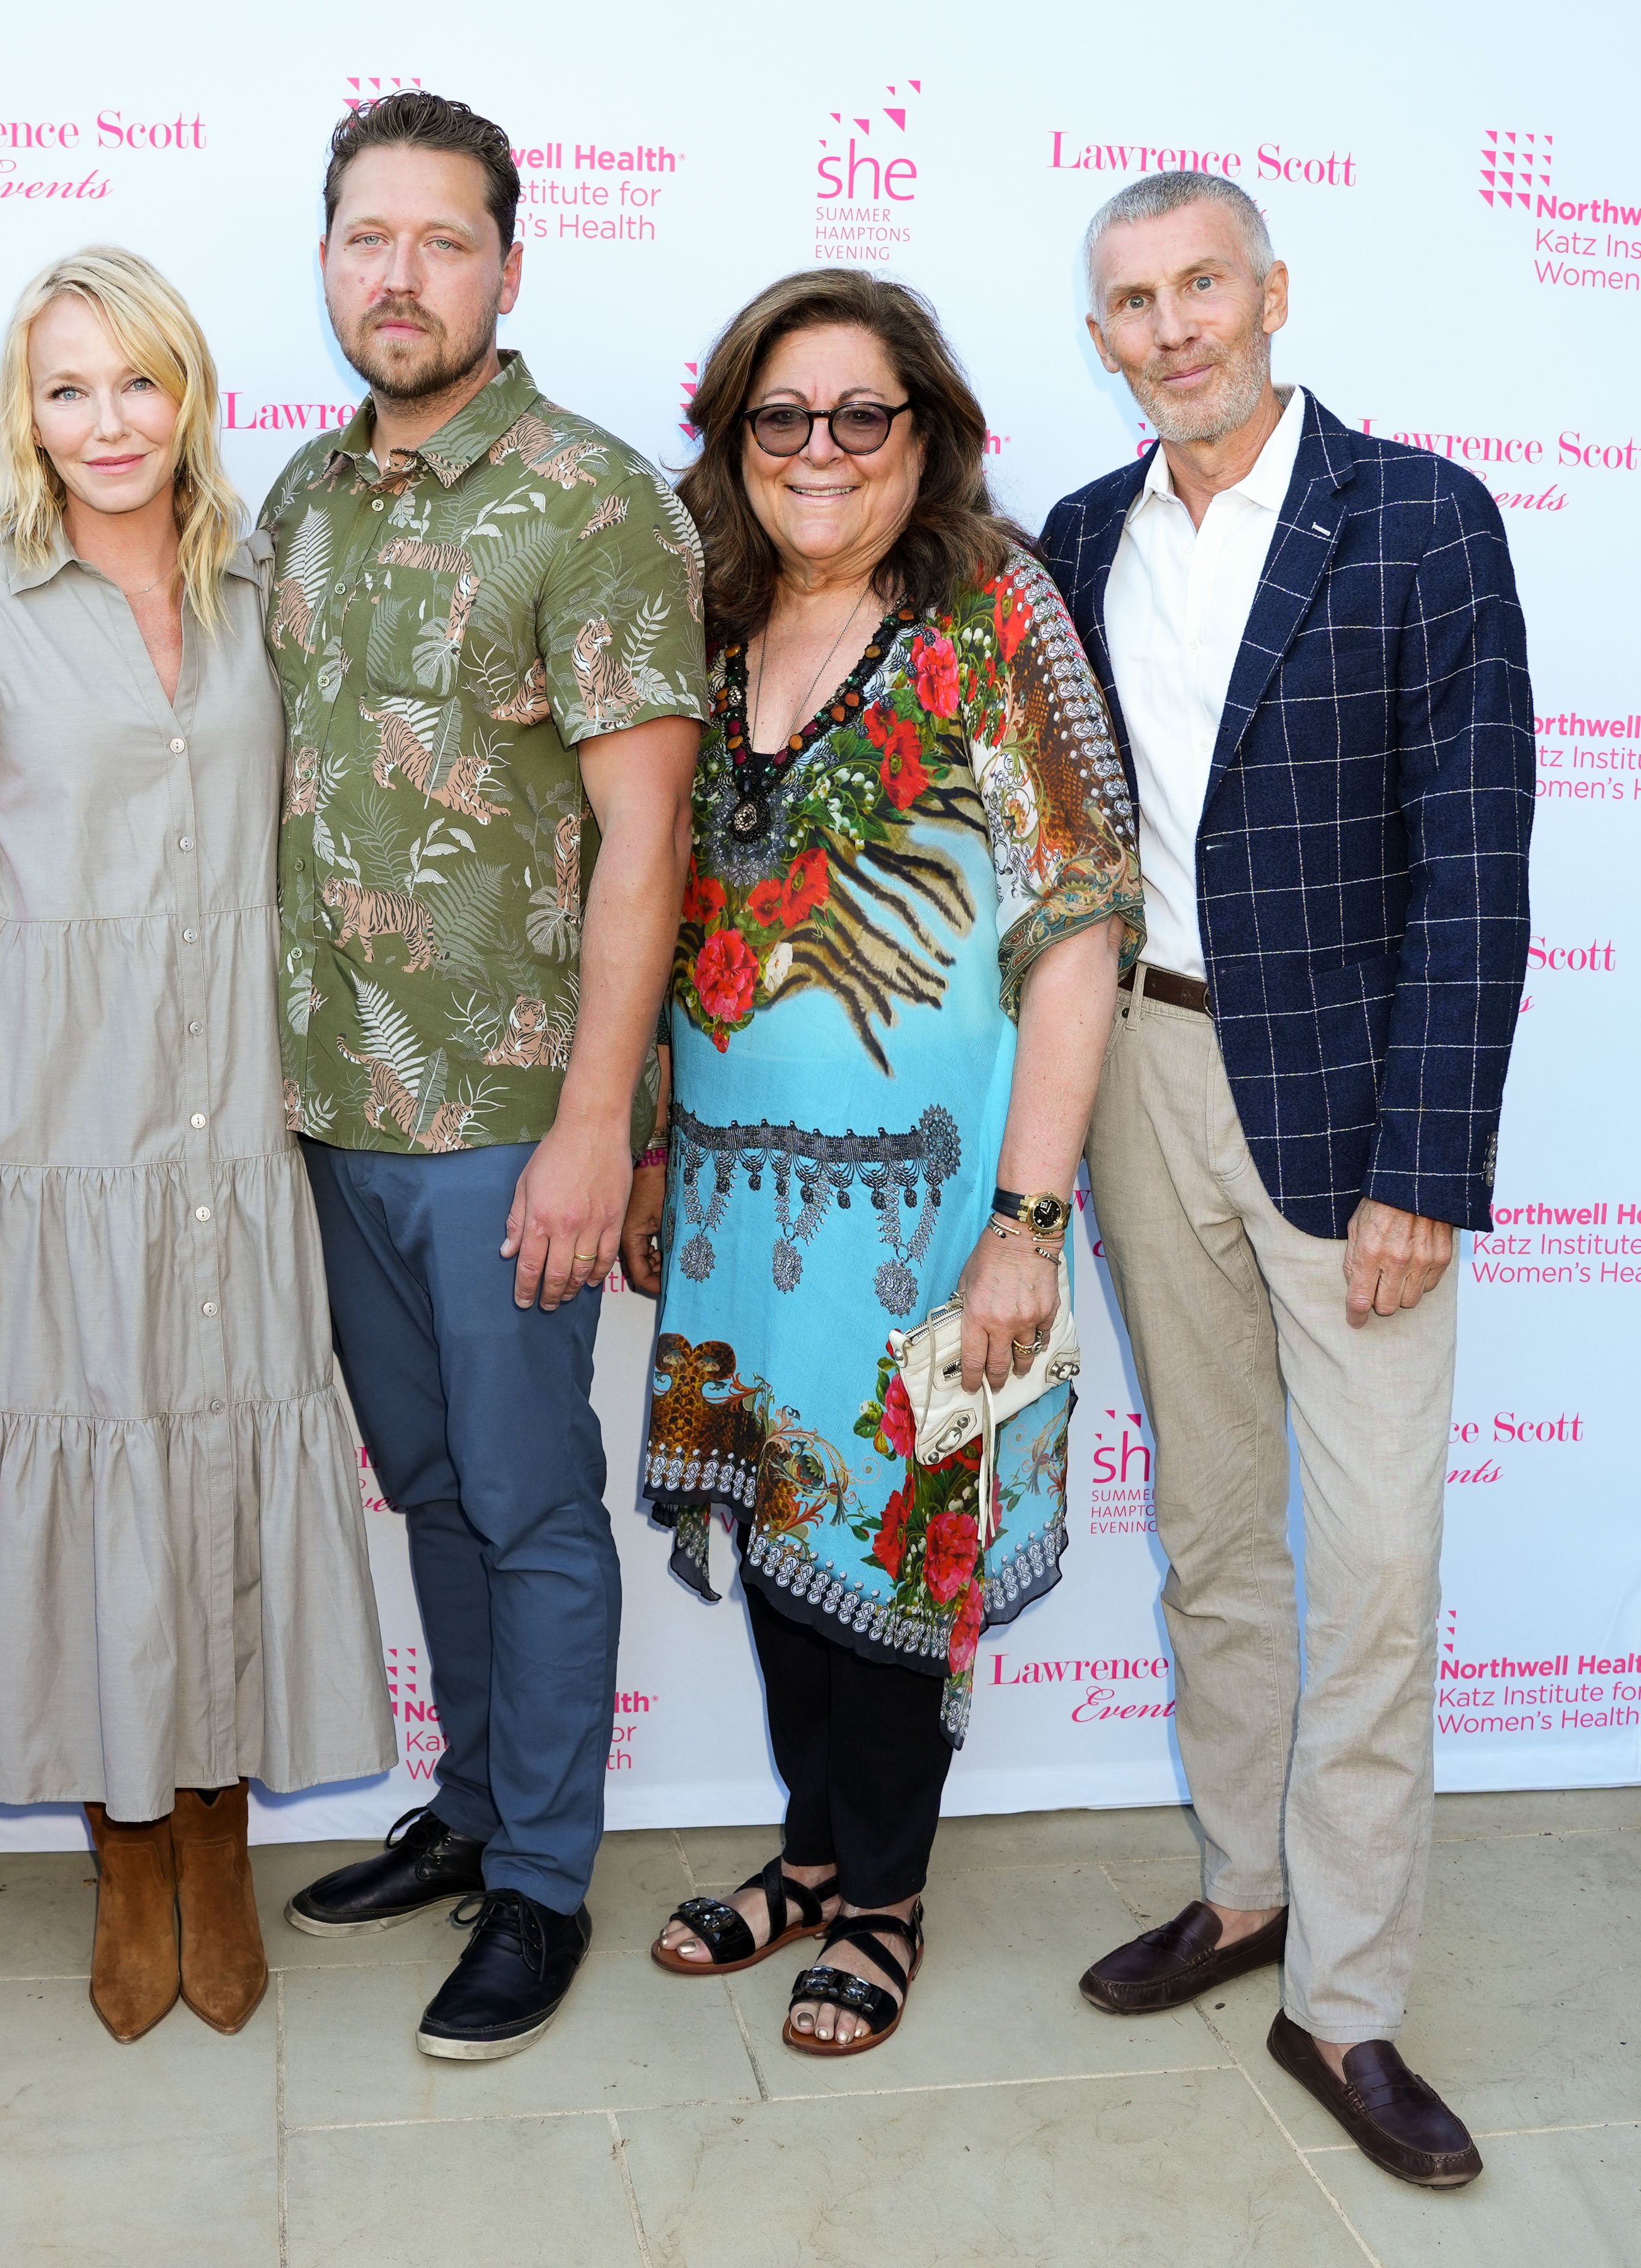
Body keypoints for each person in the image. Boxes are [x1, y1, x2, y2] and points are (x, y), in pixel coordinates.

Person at [0, 246, 395, 2046]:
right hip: (38, 1105)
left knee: (218, 1447)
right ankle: (123, 1849)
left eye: (135, 382)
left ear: (190, 392)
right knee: (81, 1459)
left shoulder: (267, 591)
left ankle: (218, 1836)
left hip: (229, 1085)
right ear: (26, 414)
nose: (106, 424)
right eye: (66, 389)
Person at [1040, 171, 1532, 2188]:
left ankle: (1348, 2002)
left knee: (1379, 1574)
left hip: (1348, 1110)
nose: (1173, 329)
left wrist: (1427, 1161)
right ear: (1102, 337)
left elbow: (1477, 865)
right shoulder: (1076, 538)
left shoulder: (1423, 518)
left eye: (1202, 287)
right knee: (1218, 1530)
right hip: (1144, 1070)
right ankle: (1243, 1888)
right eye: (1133, 303)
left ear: (1272, 291)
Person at [624, 270, 1143, 2054]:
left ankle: (889, 1899)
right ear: (735, 442)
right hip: (733, 1212)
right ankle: (813, 1861)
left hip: (935, 1216)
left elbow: (1078, 930)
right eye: (784, 417)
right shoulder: (702, 626)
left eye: (865, 414)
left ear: (929, 434)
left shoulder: (996, 617)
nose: (823, 450)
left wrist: (1025, 1221)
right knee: (785, 1532)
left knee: (900, 1552)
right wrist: (640, 1152)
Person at [264, 93, 707, 2061]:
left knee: (532, 1505)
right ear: (331, 258)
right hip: (333, 1111)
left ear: (510, 270)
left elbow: (648, 840)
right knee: (434, 1490)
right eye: (371, 237)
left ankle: (540, 1884)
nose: (403, 275)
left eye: (445, 242)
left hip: (514, 1115)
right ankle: (468, 1812)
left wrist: (597, 1125)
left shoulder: (594, 501)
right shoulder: (296, 496)